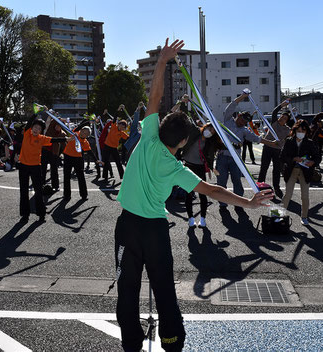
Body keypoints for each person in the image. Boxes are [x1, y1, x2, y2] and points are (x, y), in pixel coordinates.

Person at [114, 39, 273, 352]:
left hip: (127, 227)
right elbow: (214, 190)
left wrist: (162, 62)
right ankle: (172, 342)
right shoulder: (176, 168)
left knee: (127, 290)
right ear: (184, 140)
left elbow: (155, 97)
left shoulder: (147, 138)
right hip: (155, 231)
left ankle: (131, 345)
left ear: (160, 127)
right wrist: (249, 202)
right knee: (164, 291)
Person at [217, 94, 278, 208]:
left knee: (237, 181)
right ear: (239, 116)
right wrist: (243, 96)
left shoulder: (244, 130)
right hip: (222, 155)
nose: (242, 123)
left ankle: (239, 203)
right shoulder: (228, 120)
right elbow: (231, 106)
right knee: (221, 182)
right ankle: (222, 203)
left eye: (245, 122)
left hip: (236, 158)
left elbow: (257, 138)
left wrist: (272, 143)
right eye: (242, 120)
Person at [18, 111, 69, 222]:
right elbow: (29, 122)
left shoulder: (41, 138)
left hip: (36, 167)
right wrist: (35, 113)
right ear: (32, 128)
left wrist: (66, 139)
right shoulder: (27, 133)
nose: (36, 129)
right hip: (23, 166)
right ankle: (25, 214)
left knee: (38, 191)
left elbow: (53, 140)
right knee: (23, 191)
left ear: (41, 131)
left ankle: (41, 213)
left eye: (39, 128)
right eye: (35, 127)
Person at [181, 123, 222, 227]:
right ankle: (191, 218)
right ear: (205, 126)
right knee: (188, 193)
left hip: (200, 168)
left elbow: (222, 146)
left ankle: (203, 218)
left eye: (213, 131)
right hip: (188, 166)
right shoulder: (195, 133)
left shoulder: (210, 142)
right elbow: (186, 121)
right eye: (209, 128)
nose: (210, 132)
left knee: (203, 193)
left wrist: (212, 168)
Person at [280, 120, 321, 226]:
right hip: (291, 170)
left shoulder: (310, 142)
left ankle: (304, 216)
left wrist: (312, 162)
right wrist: (293, 159)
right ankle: (280, 215)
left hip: (305, 171)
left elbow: (317, 157)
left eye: (303, 130)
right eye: (299, 130)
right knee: (288, 194)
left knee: (305, 196)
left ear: (306, 131)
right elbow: (282, 156)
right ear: (295, 130)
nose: (301, 132)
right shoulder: (289, 141)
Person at [257, 101, 293, 199]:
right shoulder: (274, 122)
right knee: (264, 168)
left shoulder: (288, 130)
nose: (282, 119)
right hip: (268, 148)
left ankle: (276, 188)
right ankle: (260, 187)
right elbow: (274, 112)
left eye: (285, 118)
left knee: (276, 170)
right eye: (281, 117)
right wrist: (283, 104)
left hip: (278, 150)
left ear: (287, 121)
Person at [63, 125, 100, 201]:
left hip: (78, 159)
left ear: (87, 136)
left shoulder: (85, 142)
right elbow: (80, 125)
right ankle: (67, 195)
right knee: (66, 176)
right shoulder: (75, 133)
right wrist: (88, 120)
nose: (83, 133)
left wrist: (96, 160)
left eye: (86, 133)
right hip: (67, 157)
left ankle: (84, 194)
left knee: (81, 177)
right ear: (81, 130)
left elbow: (90, 152)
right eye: (83, 131)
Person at [41, 116, 66, 191]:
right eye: (57, 125)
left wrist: (65, 153)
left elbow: (64, 144)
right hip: (45, 150)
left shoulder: (62, 133)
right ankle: (41, 184)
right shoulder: (50, 128)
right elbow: (53, 122)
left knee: (54, 169)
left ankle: (55, 185)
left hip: (54, 152)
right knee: (43, 168)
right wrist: (58, 118)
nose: (57, 127)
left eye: (59, 125)